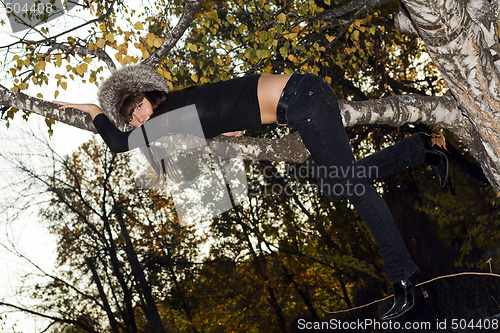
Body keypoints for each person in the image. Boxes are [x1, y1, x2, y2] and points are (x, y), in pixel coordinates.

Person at [53, 64, 448, 320]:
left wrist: (91, 110)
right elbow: (230, 107)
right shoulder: (184, 107)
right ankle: (422, 147)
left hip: (304, 100)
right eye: (131, 118)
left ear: (149, 95)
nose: (138, 118)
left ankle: (405, 279)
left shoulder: (171, 110)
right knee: (338, 184)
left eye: (136, 107)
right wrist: (233, 126)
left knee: (352, 188)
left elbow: (120, 145)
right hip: (302, 99)